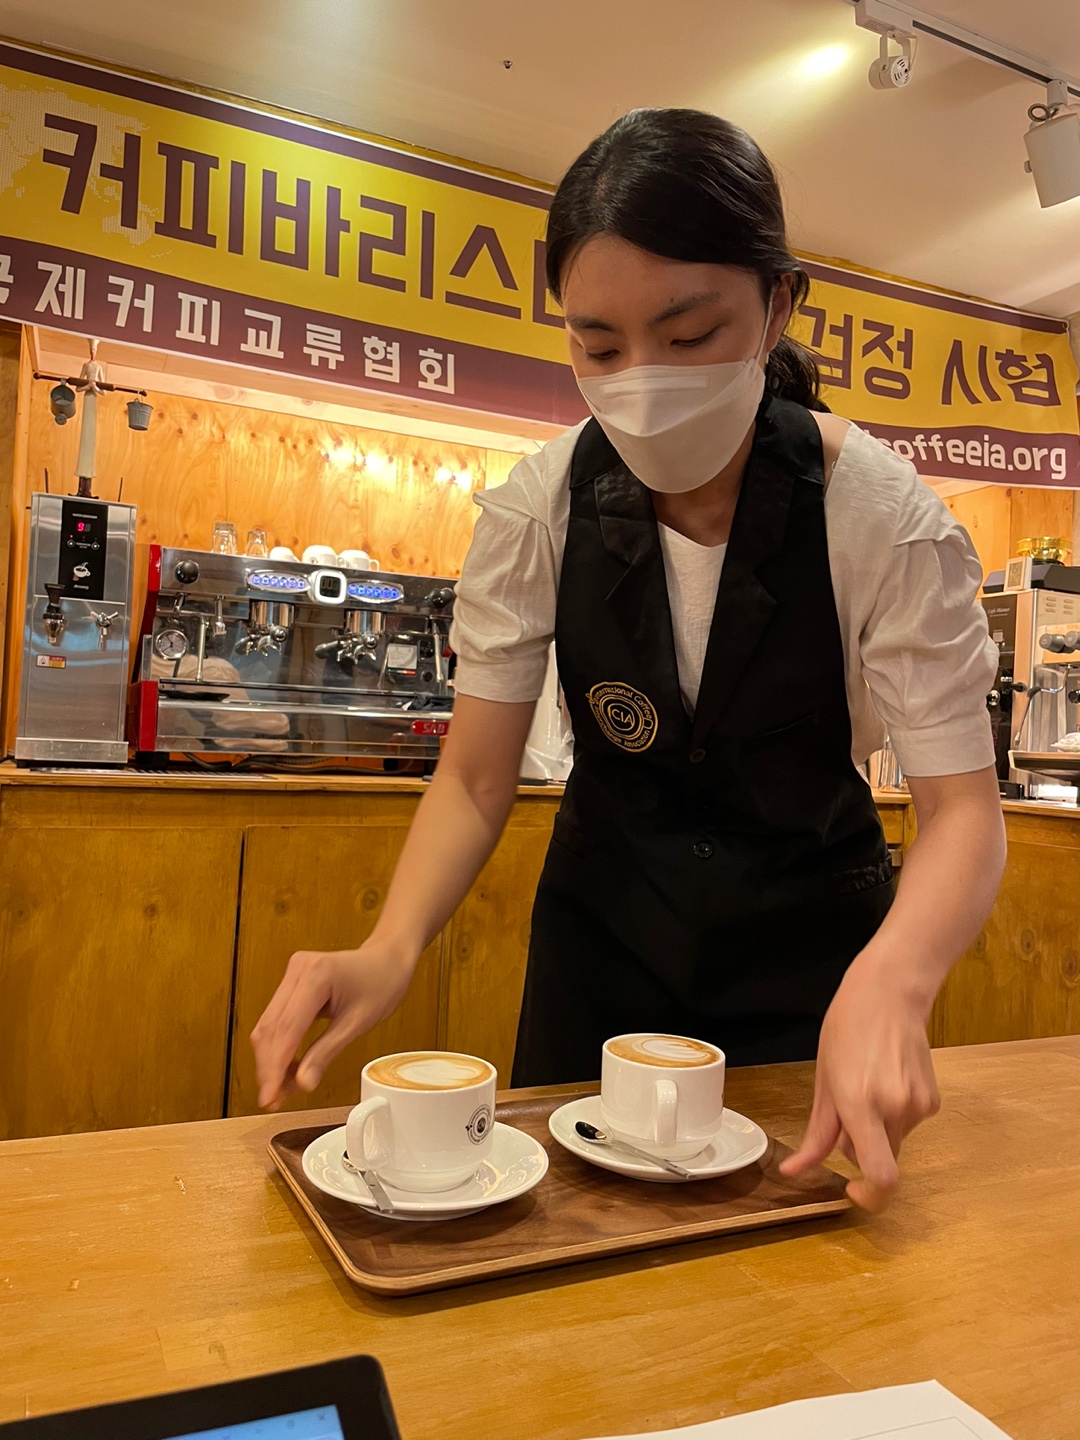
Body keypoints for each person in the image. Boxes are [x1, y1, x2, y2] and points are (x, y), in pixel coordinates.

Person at [252, 109, 1006, 1211]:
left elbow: (962, 812)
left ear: (779, 305)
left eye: (690, 336)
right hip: (602, 946)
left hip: (814, 965)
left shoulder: (881, 516)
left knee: (801, 1279)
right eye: (597, 346)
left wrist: (895, 978)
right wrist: (390, 944)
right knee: (572, 1255)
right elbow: (473, 776)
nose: (641, 377)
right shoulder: (538, 506)